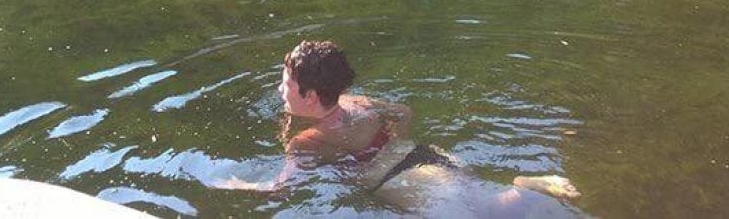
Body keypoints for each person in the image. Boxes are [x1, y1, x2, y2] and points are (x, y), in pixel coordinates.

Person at [220, 40, 580, 216]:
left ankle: (530, 190)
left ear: (311, 95)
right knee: (487, 204)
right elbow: (404, 112)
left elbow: (281, 189)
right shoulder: (359, 102)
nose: (280, 89)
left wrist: (235, 183)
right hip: (427, 157)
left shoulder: (307, 141)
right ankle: (529, 188)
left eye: (285, 83)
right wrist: (395, 144)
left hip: (409, 183)